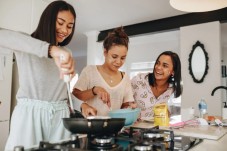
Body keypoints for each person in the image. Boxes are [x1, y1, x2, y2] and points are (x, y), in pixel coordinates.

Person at [0, 1, 76, 150]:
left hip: (60, 116)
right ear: (48, 20)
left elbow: (63, 88)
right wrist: (50, 50)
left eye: (69, 26)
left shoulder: (67, 52)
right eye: (60, 23)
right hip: (29, 117)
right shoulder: (27, 43)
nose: (64, 30)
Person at [73, 27, 136, 117]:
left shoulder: (125, 78)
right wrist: (94, 90)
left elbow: (125, 105)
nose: (118, 62)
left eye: (123, 58)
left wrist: (130, 107)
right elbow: (75, 96)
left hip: (114, 128)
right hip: (90, 127)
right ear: (105, 52)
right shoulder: (90, 71)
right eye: (114, 56)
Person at [131, 51, 182, 119]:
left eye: (165, 66)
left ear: (173, 71)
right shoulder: (139, 80)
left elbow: (166, 111)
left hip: (156, 128)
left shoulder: (171, 88)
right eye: (157, 63)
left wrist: (167, 113)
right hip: (134, 127)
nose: (158, 67)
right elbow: (123, 103)